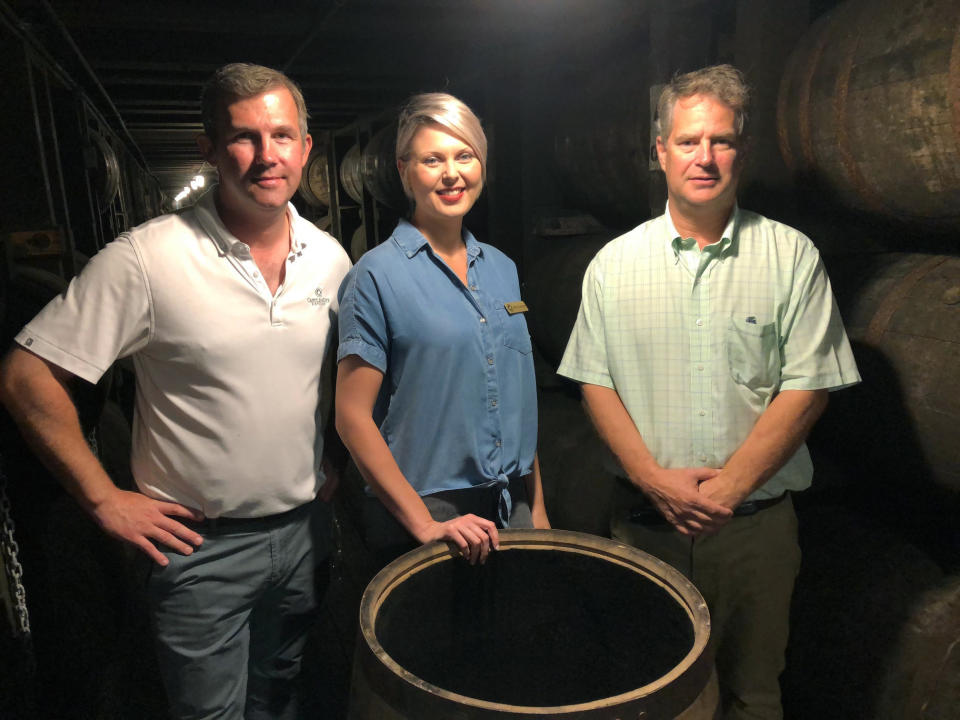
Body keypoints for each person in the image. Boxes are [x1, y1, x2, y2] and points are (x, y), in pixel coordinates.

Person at [0, 63, 351, 719]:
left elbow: (335, 374)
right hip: (200, 550)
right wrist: (102, 498)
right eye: (243, 137)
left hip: (307, 532)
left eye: (282, 135)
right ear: (210, 150)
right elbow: (27, 375)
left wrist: (336, 454)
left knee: (281, 692)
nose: (266, 156)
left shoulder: (332, 258)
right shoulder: (147, 259)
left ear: (306, 147)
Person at [557, 65, 860, 720]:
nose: (705, 156)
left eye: (721, 141)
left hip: (753, 534)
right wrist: (654, 478)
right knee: (647, 695)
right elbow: (594, 380)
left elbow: (808, 389)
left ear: (741, 153)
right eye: (688, 141)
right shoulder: (615, 265)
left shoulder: (791, 256)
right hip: (646, 527)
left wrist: (725, 491)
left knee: (753, 694)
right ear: (660, 150)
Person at [335, 92, 549, 567]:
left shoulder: (502, 269)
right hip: (424, 513)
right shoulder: (375, 275)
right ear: (404, 168)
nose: (451, 173)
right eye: (433, 159)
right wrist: (425, 524)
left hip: (509, 506)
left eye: (464, 156)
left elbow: (515, 403)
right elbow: (351, 417)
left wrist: (536, 509)